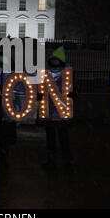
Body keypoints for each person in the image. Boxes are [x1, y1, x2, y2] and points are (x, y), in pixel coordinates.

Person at [41, 45, 76, 173]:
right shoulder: (46, 74)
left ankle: (66, 161)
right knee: (51, 138)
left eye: (57, 61)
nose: (55, 63)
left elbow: (73, 88)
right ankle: (53, 160)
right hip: (50, 111)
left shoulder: (67, 74)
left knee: (63, 138)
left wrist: (73, 94)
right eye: (53, 61)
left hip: (61, 112)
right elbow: (41, 89)